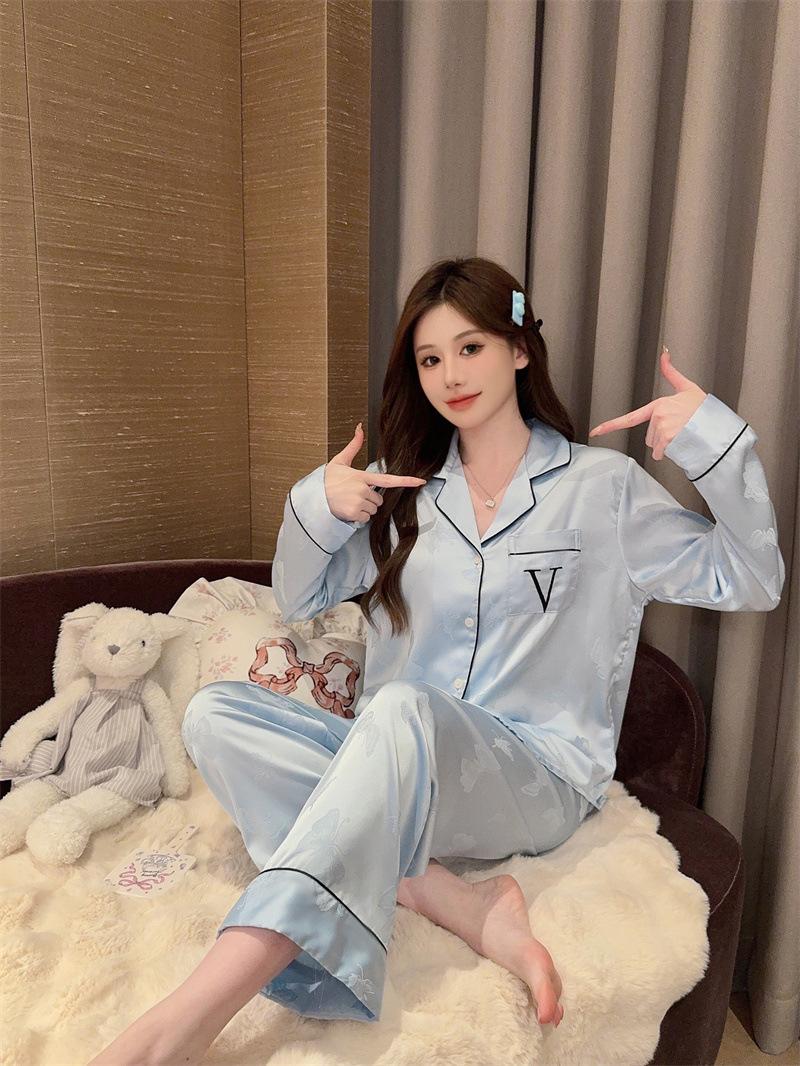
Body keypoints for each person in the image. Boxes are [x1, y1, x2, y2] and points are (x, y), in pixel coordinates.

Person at [88, 256, 785, 1065]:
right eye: (429, 359)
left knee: (402, 707)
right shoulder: (406, 497)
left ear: (519, 349)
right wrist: (317, 505)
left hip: (537, 776)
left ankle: (191, 1014)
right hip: (396, 757)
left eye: (470, 347)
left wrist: (711, 444)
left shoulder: (603, 491)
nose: (449, 375)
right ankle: (456, 899)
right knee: (215, 714)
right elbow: (300, 596)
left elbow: (752, 578)